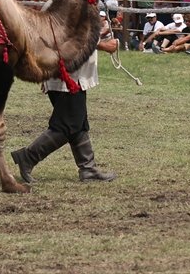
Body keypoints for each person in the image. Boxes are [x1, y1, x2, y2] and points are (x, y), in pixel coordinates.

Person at [10, 32, 119, 184]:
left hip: (65, 74)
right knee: (67, 125)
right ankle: (28, 157)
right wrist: (103, 45)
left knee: (78, 124)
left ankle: (88, 169)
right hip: (69, 76)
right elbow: (72, 33)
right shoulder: (73, 7)